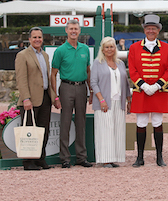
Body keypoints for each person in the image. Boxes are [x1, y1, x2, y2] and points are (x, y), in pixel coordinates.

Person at [128, 14, 168, 167]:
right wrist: (143, 85)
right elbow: (133, 70)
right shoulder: (134, 48)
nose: (151, 30)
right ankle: (139, 157)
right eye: (148, 28)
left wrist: (156, 86)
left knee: (157, 122)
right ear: (144, 30)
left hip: (158, 91)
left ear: (158, 30)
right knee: (141, 123)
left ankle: (159, 157)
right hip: (141, 91)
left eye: (154, 28)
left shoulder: (167, 48)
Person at [15, 27, 61, 170]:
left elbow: (47, 78)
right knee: (30, 132)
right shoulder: (22, 55)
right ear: (29, 39)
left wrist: (54, 98)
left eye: (39, 37)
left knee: (43, 130)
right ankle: (28, 162)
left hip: (45, 98)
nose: (37, 40)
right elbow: (21, 79)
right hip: (30, 100)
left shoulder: (45, 56)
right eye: (34, 37)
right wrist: (26, 98)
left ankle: (41, 159)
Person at [51, 19, 92, 168]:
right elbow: (53, 73)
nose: (73, 31)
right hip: (66, 87)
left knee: (81, 122)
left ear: (79, 31)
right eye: (71, 29)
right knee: (66, 122)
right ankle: (65, 158)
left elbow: (88, 71)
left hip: (82, 87)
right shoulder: (60, 50)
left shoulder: (85, 49)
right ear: (66, 31)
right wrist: (55, 95)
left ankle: (82, 157)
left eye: (76, 28)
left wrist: (91, 90)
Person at [90, 37, 131, 168]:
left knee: (117, 130)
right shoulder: (97, 63)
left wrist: (129, 99)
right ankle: (105, 159)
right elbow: (93, 83)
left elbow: (125, 82)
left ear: (115, 48)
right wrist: (101, 99)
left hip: (119, 101)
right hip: (104, 102)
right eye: (107, 47)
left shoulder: (120, 63)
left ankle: (114, 157)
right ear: (102, 49)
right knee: (105, 129)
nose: (109, 49)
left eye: (112, 47)